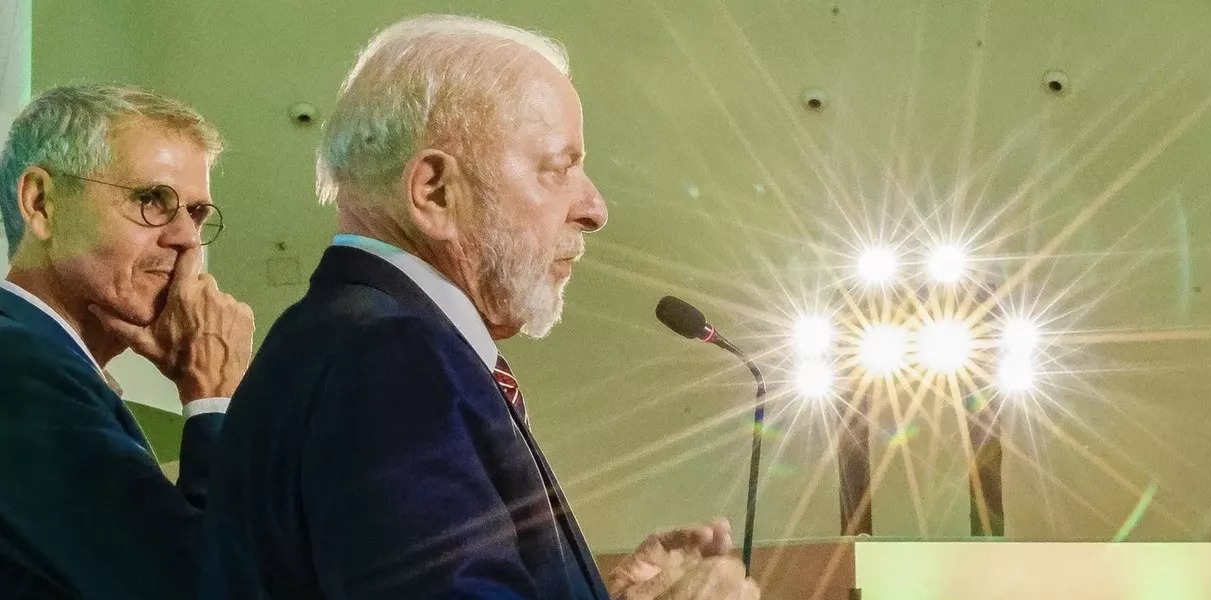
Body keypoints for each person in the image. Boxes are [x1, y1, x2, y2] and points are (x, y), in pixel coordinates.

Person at [201, 14, 758, 600]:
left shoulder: (343, 340)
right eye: (559, 169)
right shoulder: (391, 361)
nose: (595, 208)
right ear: (436, 192)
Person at [0, 84, 254, 598]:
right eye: (151, 200)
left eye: (196, 213)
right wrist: (215, 395)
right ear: (41, 203)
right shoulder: (18, 368)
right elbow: (204, 587)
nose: (186, 238)